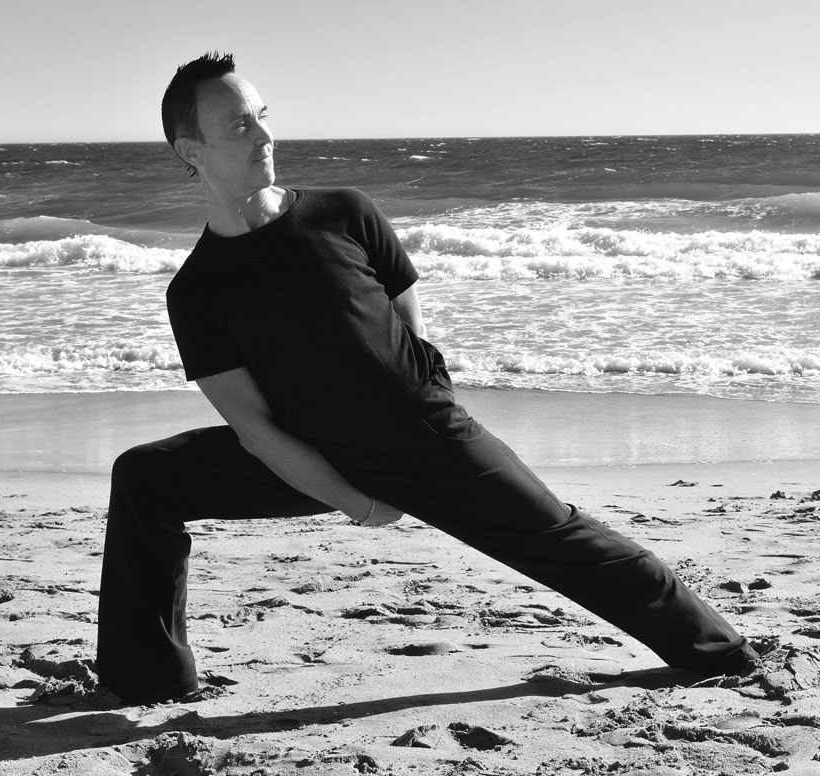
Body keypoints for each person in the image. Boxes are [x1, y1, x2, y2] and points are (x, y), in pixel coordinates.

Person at [95, 51, 759, 704]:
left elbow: (404, 309)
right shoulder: (197, 290)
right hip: (307, 456)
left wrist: (416, 401)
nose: (265, 134)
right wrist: (353, 498)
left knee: (558, 535)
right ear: (191, 149)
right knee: (144, 479)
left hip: (421, 436)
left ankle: (718, 652)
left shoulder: (341, 212)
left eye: (263, 115)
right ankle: (147, 679)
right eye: (240, 125)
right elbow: (255, 430)